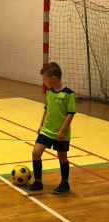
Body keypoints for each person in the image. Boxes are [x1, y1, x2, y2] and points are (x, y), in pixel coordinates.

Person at [25, 62, 76, 194]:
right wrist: (41, 125)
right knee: (36, 153)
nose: (44, 82)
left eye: (45, 79)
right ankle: (38, 182)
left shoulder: (68, 94)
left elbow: (71, 114)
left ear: (53, 78)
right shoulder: (49, 92)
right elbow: (46, 109)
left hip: (60, 133)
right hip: (47, 130)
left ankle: (65, 183)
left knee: (62, 157)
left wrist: (62, 131)